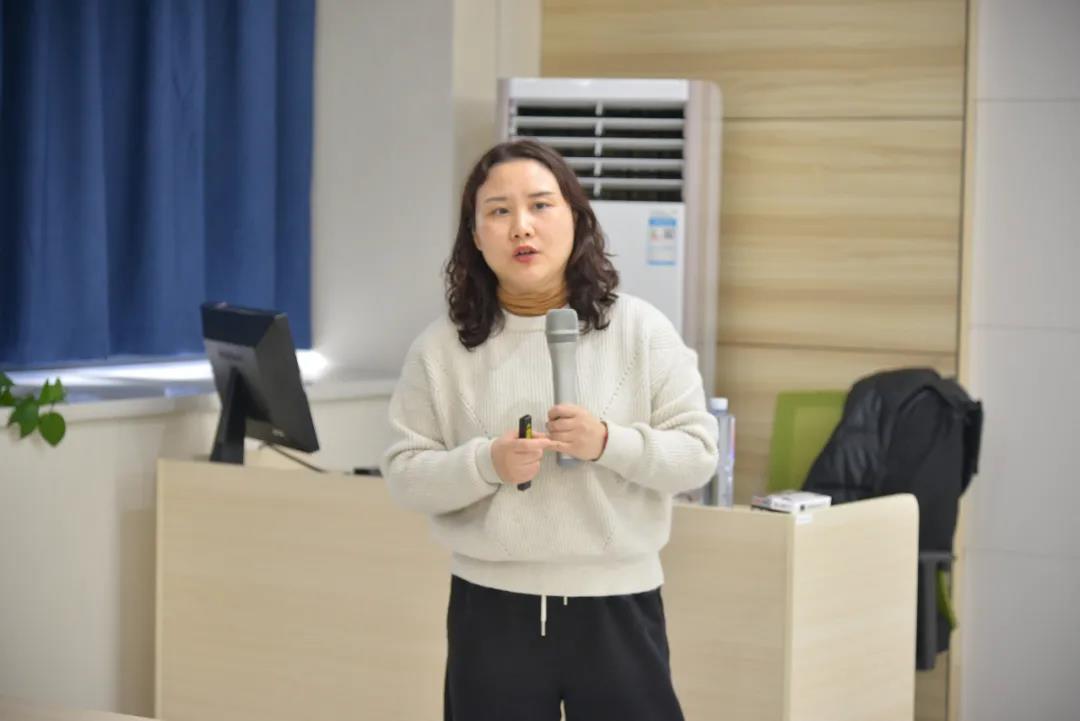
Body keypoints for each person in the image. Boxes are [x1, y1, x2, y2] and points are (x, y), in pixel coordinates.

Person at [381, 139, 718, 721]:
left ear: (576, 218)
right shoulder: (442, 348)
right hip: (491, 608)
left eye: (540, 205)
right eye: (499, 211)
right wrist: (486, 464)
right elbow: (405, 475)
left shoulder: (641, 329)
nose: (522, 227)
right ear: (475, 235)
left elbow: (698, 455)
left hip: (616, 601)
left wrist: (610, 443)